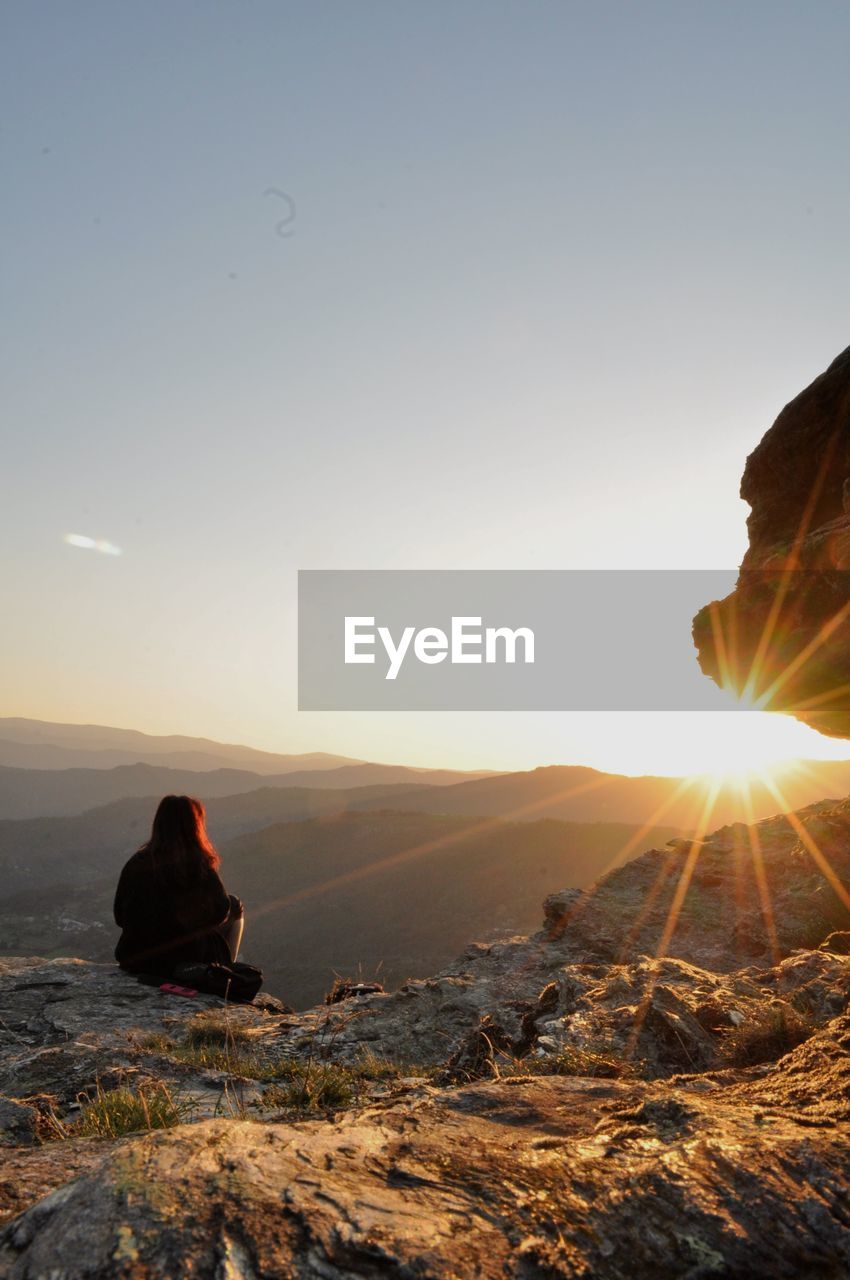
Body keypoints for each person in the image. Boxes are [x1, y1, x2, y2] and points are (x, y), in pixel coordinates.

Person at [114, 794, 244, 978]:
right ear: (194, 827)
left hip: (134, 959)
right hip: (184, 962)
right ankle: (224, 974)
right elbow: (221, 911)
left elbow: (120, 917)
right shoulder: (198, 864)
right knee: (234, 904)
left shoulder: (136, 863)